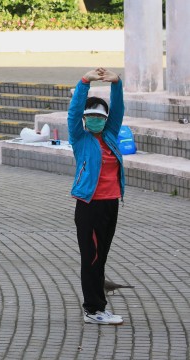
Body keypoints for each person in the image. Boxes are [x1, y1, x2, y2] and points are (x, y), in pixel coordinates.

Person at [69, 67, 125, 325]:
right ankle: (93, 310)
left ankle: (98, 305)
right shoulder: (80, 139)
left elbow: (119, 111)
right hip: (89, 207)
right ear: (85, 118)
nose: (95, 120)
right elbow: (73, 112)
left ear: (105, 119)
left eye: (99, 116)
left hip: (110, 205)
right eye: (90, 116)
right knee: (91, 259)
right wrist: (84, 82)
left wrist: (116, 84)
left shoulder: (111, 136)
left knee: (100, 257)